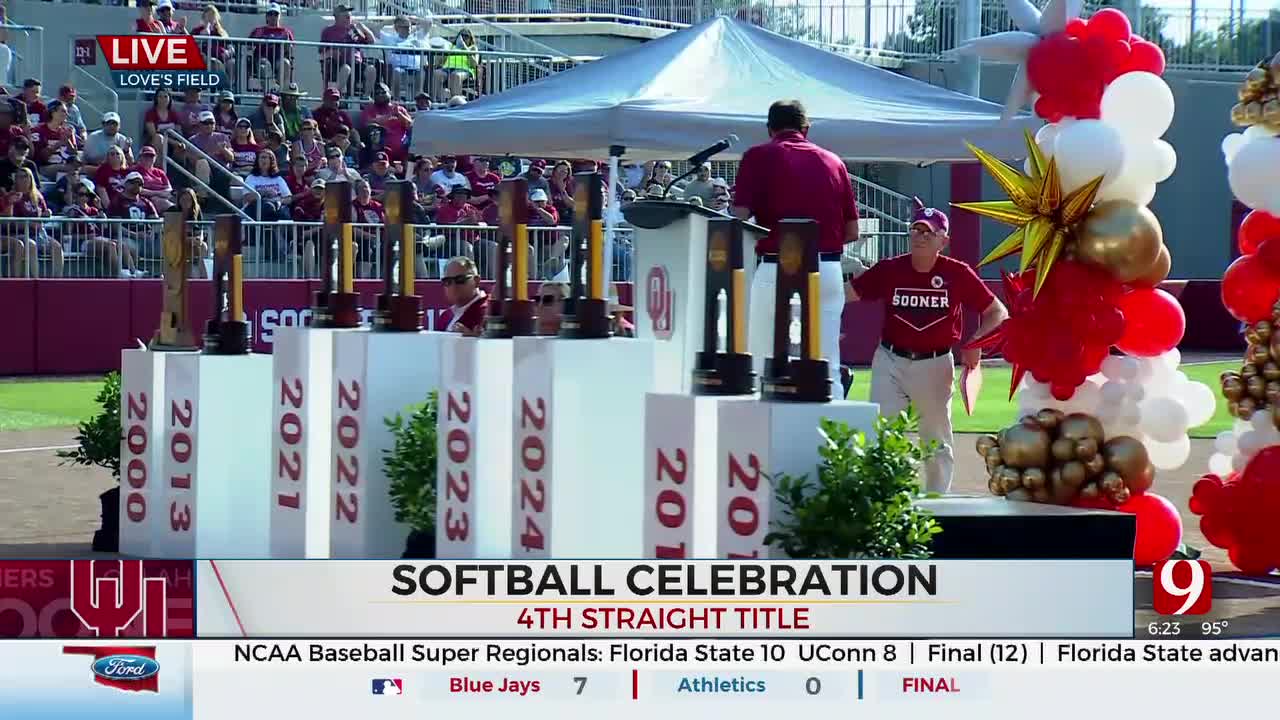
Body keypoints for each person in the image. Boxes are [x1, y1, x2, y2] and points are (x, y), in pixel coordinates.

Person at [846, 200, 1009, 494]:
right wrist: (818, 283)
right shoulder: (890, 269)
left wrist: (976, 342)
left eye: (929, 232)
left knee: (935, 439)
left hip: (934, 364)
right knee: (883, 431)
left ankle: (937, 503)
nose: (921, 236)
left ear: (943, 241)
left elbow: (997, 311)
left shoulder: (957, 273)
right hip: (890, 359)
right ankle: (884, 498)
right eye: (917, 230)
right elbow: (848, 294)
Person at [733, 99, 858, 394]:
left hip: (777, 265)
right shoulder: (833, 161)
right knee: (826, 364)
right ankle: (833, 434)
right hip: (825, 266)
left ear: (769, 128)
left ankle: (763, 434)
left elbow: (738, 219)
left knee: (766, 360)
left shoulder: (757, 156)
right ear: (807, 128)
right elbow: (852, 231)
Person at [3, 167, 60, 277]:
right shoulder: (11, 196)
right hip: (18, 234)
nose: (23, 179)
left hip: (38, 234)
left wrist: (47, 213)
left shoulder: (37, 197)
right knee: (31, 245)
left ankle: (57, 281)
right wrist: (27, 223)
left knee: (57, 247)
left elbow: (43, 213)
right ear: (16, 180)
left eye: (26, 176)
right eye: (20, 177)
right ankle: (35, 280)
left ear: (31, 179)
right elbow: (8, 221)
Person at [438, 256, 488, 335]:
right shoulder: (445, 317)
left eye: (460, 280)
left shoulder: (489, 311)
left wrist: (474, 340)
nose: (453, 286)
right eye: (448, 281)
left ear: (476, 281)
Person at [132, 145, 174, 212]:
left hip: (163, 197)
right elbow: (137, 189)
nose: (148, 158)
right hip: (145, 199)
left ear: (155, 158)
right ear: (140, 157)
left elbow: (169, 189)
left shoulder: (160, 172)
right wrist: (158, 193)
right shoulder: (135, 170)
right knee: (158, 201)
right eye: (146, 156)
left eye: (151, 156)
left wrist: (161, 194)